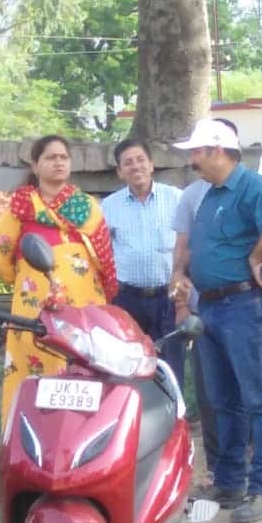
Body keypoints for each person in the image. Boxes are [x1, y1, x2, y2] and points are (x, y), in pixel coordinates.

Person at [172, 127, 262, 489]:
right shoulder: (209, 196)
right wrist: (183, 275)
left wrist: (254, 257)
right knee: (223, 400)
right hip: (211, 306)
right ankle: (231, 481)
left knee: (258, 398)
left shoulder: (255, 188)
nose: (192, 161)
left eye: (197, 152)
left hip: (244, 304)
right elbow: (197, 247)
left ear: (219, 150)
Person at [0, 135, 118, 424]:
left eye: (63, 157)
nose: (58, 162)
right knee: (35, 375)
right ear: (35, 166)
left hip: (84, 309)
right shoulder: (20, 207)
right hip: (34, 310)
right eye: (50, 157)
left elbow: (104, 259)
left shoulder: (87, 207)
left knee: (84, 374)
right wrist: (27, 280)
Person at [101, 139, 185, 389]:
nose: (135, 166)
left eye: (140, 160)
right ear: (119, 171)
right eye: (128, 162)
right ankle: (136, 418)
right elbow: (102, 251)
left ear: (151, 164)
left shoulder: (176, 199)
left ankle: (173, 418)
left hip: (168, 297)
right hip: (127, 299)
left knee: (170, 364)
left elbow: (188, 245)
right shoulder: (109, 206)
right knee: (130, 364)